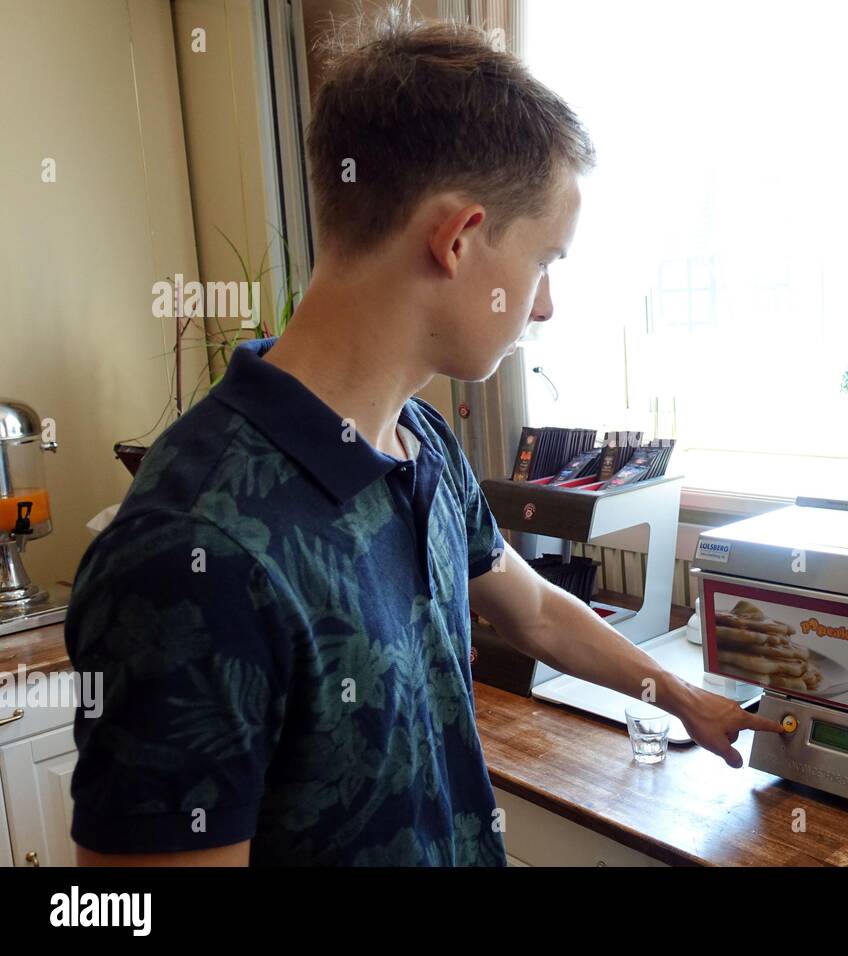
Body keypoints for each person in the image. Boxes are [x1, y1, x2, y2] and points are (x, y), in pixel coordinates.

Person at [64, 7, 782, 867]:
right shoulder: (197, 550)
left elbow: (539, 611)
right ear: (459, 239)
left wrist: (679, 696)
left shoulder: (420, 442)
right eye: (546, 261)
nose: (544, 305)